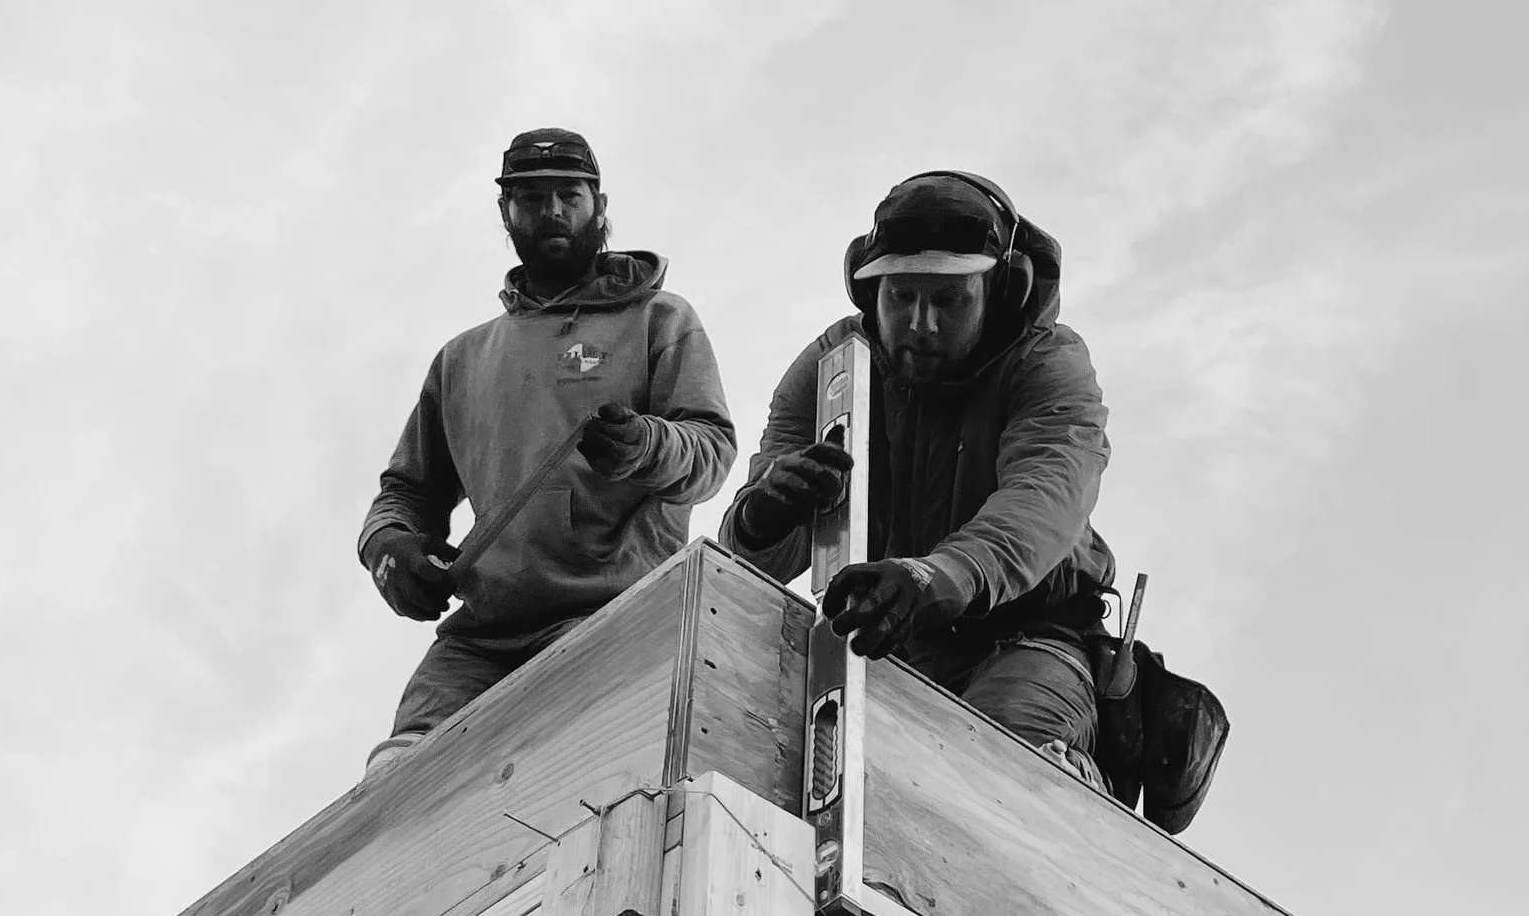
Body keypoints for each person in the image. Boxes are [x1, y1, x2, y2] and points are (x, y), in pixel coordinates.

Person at [722, 170, 1114, 784]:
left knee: (999, 773)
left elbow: (1042, 499)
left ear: (1000, 290)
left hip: (1026, 634)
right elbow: (761, 562)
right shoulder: (831, 370)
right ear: (868, 292)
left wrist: (934, 577)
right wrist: (761, 517)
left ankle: (1075, 781)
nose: (921, 324)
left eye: (949, 300)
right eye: (901, 297)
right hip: (885, 644)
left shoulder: (1050, 364)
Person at [359, 128, 736, 762]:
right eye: (531, 199)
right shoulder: (461, 358)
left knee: (581, 789)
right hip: (482, 635)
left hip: (616, 610)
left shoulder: (660, 319)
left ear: (601, 206)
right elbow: (405, 492)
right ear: (505, 214)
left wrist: (645, 444)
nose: (553, 211)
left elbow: (710, 451)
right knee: (397, 783)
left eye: (570, 194)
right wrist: (388, 547)